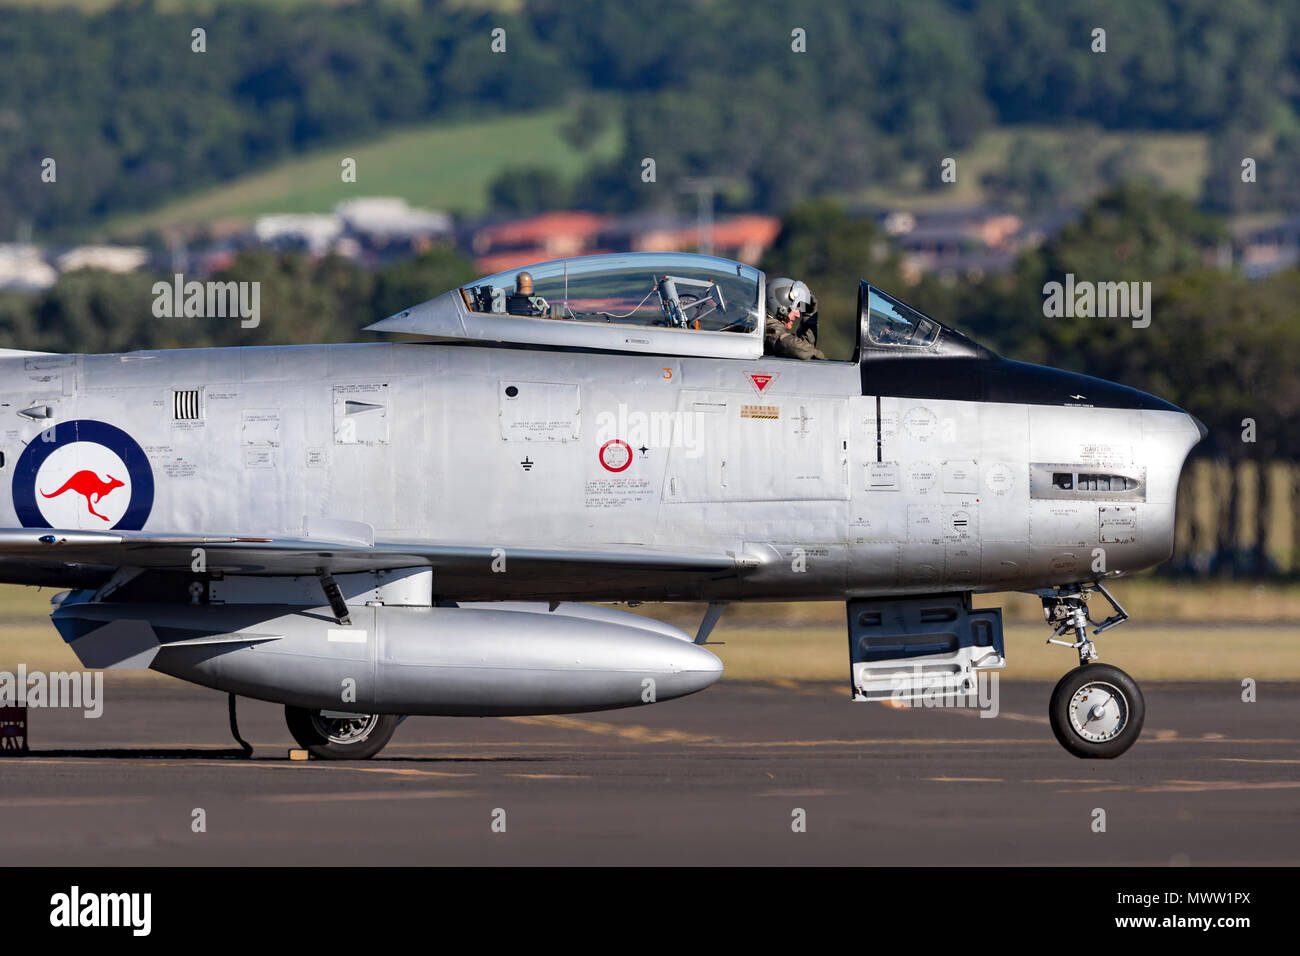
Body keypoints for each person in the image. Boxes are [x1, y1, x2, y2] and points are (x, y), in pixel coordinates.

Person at [763, 277, 824, 360]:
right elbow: (802, 350)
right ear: (782, 306)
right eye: (796, 308)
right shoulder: (769, 331)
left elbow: (804, 348)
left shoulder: (767, 326)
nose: (798, 315)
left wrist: (809, 314)